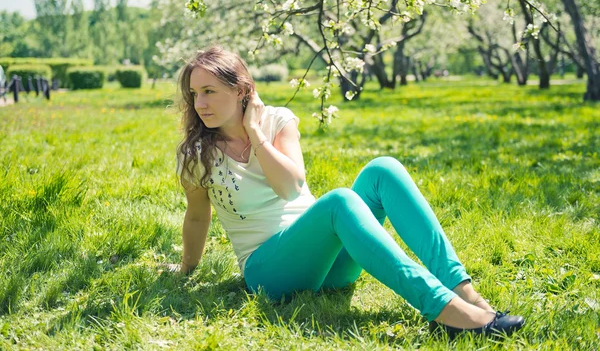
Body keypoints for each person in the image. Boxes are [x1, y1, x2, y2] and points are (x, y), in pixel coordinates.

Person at [174, 45, 525, 339]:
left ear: (240, 91)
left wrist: (256, 132)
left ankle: (464, 292)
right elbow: (198, 215)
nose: (200, 103)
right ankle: (445, 310)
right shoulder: (198, 154)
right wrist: (186, 267)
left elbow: (291, 186)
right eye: (195, 94)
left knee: (382, 169)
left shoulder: (277, 121)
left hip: (332, 266)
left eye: (209, 91)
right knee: (339, 202)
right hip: (270, 272)